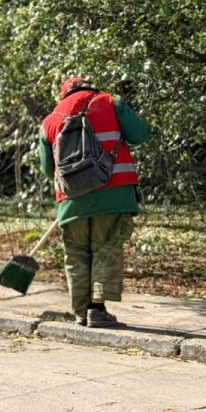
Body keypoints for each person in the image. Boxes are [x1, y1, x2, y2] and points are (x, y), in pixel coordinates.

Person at [39, 76, 150, 328]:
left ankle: (81, 312)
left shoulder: (49, 120)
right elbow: (141, 134)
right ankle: (97, 309)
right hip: (113, 193)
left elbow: (48, 169)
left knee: (76, 254)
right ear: (90, 88)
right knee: (106, 247)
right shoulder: (110, 102)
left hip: (71, 200)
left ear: (64, 94)